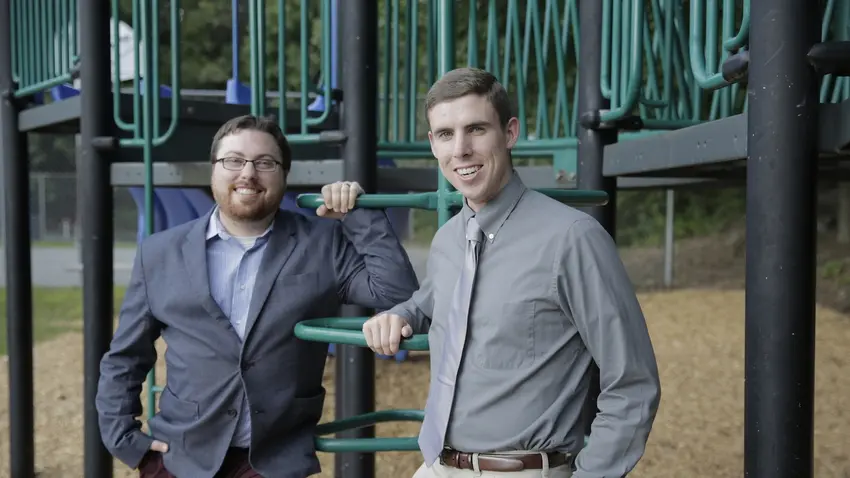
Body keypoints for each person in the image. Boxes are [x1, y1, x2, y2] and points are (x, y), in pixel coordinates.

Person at [362, 67, 662, 478]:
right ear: (433, 144)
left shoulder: (572, 239)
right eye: (446, 134)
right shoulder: (448, 240)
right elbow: (432, 298)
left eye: (477, 129)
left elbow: (633, 382)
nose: (461, 149)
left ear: (510, 132)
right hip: (437, 465)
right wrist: (402, 314)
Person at [96, 114, 420, 478]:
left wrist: (358, 215)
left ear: (284, 175)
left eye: (265, 163)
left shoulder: (323, 243)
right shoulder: (159, 253)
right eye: (233, 160)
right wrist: (125, 439)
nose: (247, 173)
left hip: (272, 461)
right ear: (213, 169)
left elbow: (398, 293)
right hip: (179, 459)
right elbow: (124, 358)